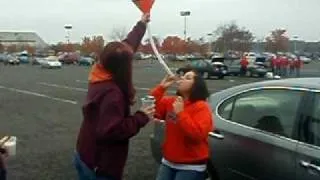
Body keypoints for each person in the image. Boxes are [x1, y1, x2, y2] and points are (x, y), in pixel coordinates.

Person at [74, 13, 155, 180]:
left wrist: (141, 24)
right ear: (124, 67)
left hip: (85, 154)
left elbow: (126, 46)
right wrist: (141, 117)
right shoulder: (113, 94)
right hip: (100, 166)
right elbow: (111, 131)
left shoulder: (100, 72)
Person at [151, 71, 214, 180]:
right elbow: (151, 106)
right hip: (168, 162)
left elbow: (197, 135)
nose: (182, 79)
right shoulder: (172, 102)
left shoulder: (201, 107)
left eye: (188, 78)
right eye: (183, 77)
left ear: (196, 85)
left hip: (190, 167)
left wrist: (181, 113)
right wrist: (161, 88)